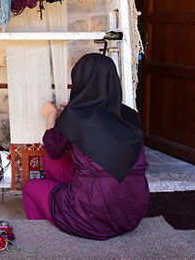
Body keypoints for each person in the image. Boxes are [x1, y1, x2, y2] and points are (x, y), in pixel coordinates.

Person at [22, 53, 149, 240]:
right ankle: (63, 204)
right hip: (132, 213)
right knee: (52, 163)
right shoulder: (131, 116)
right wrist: (70, 117)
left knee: (30, 188)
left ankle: (49, 235)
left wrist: (52, 115)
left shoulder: (76, 116)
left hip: (91, 214)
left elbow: (52, 147)